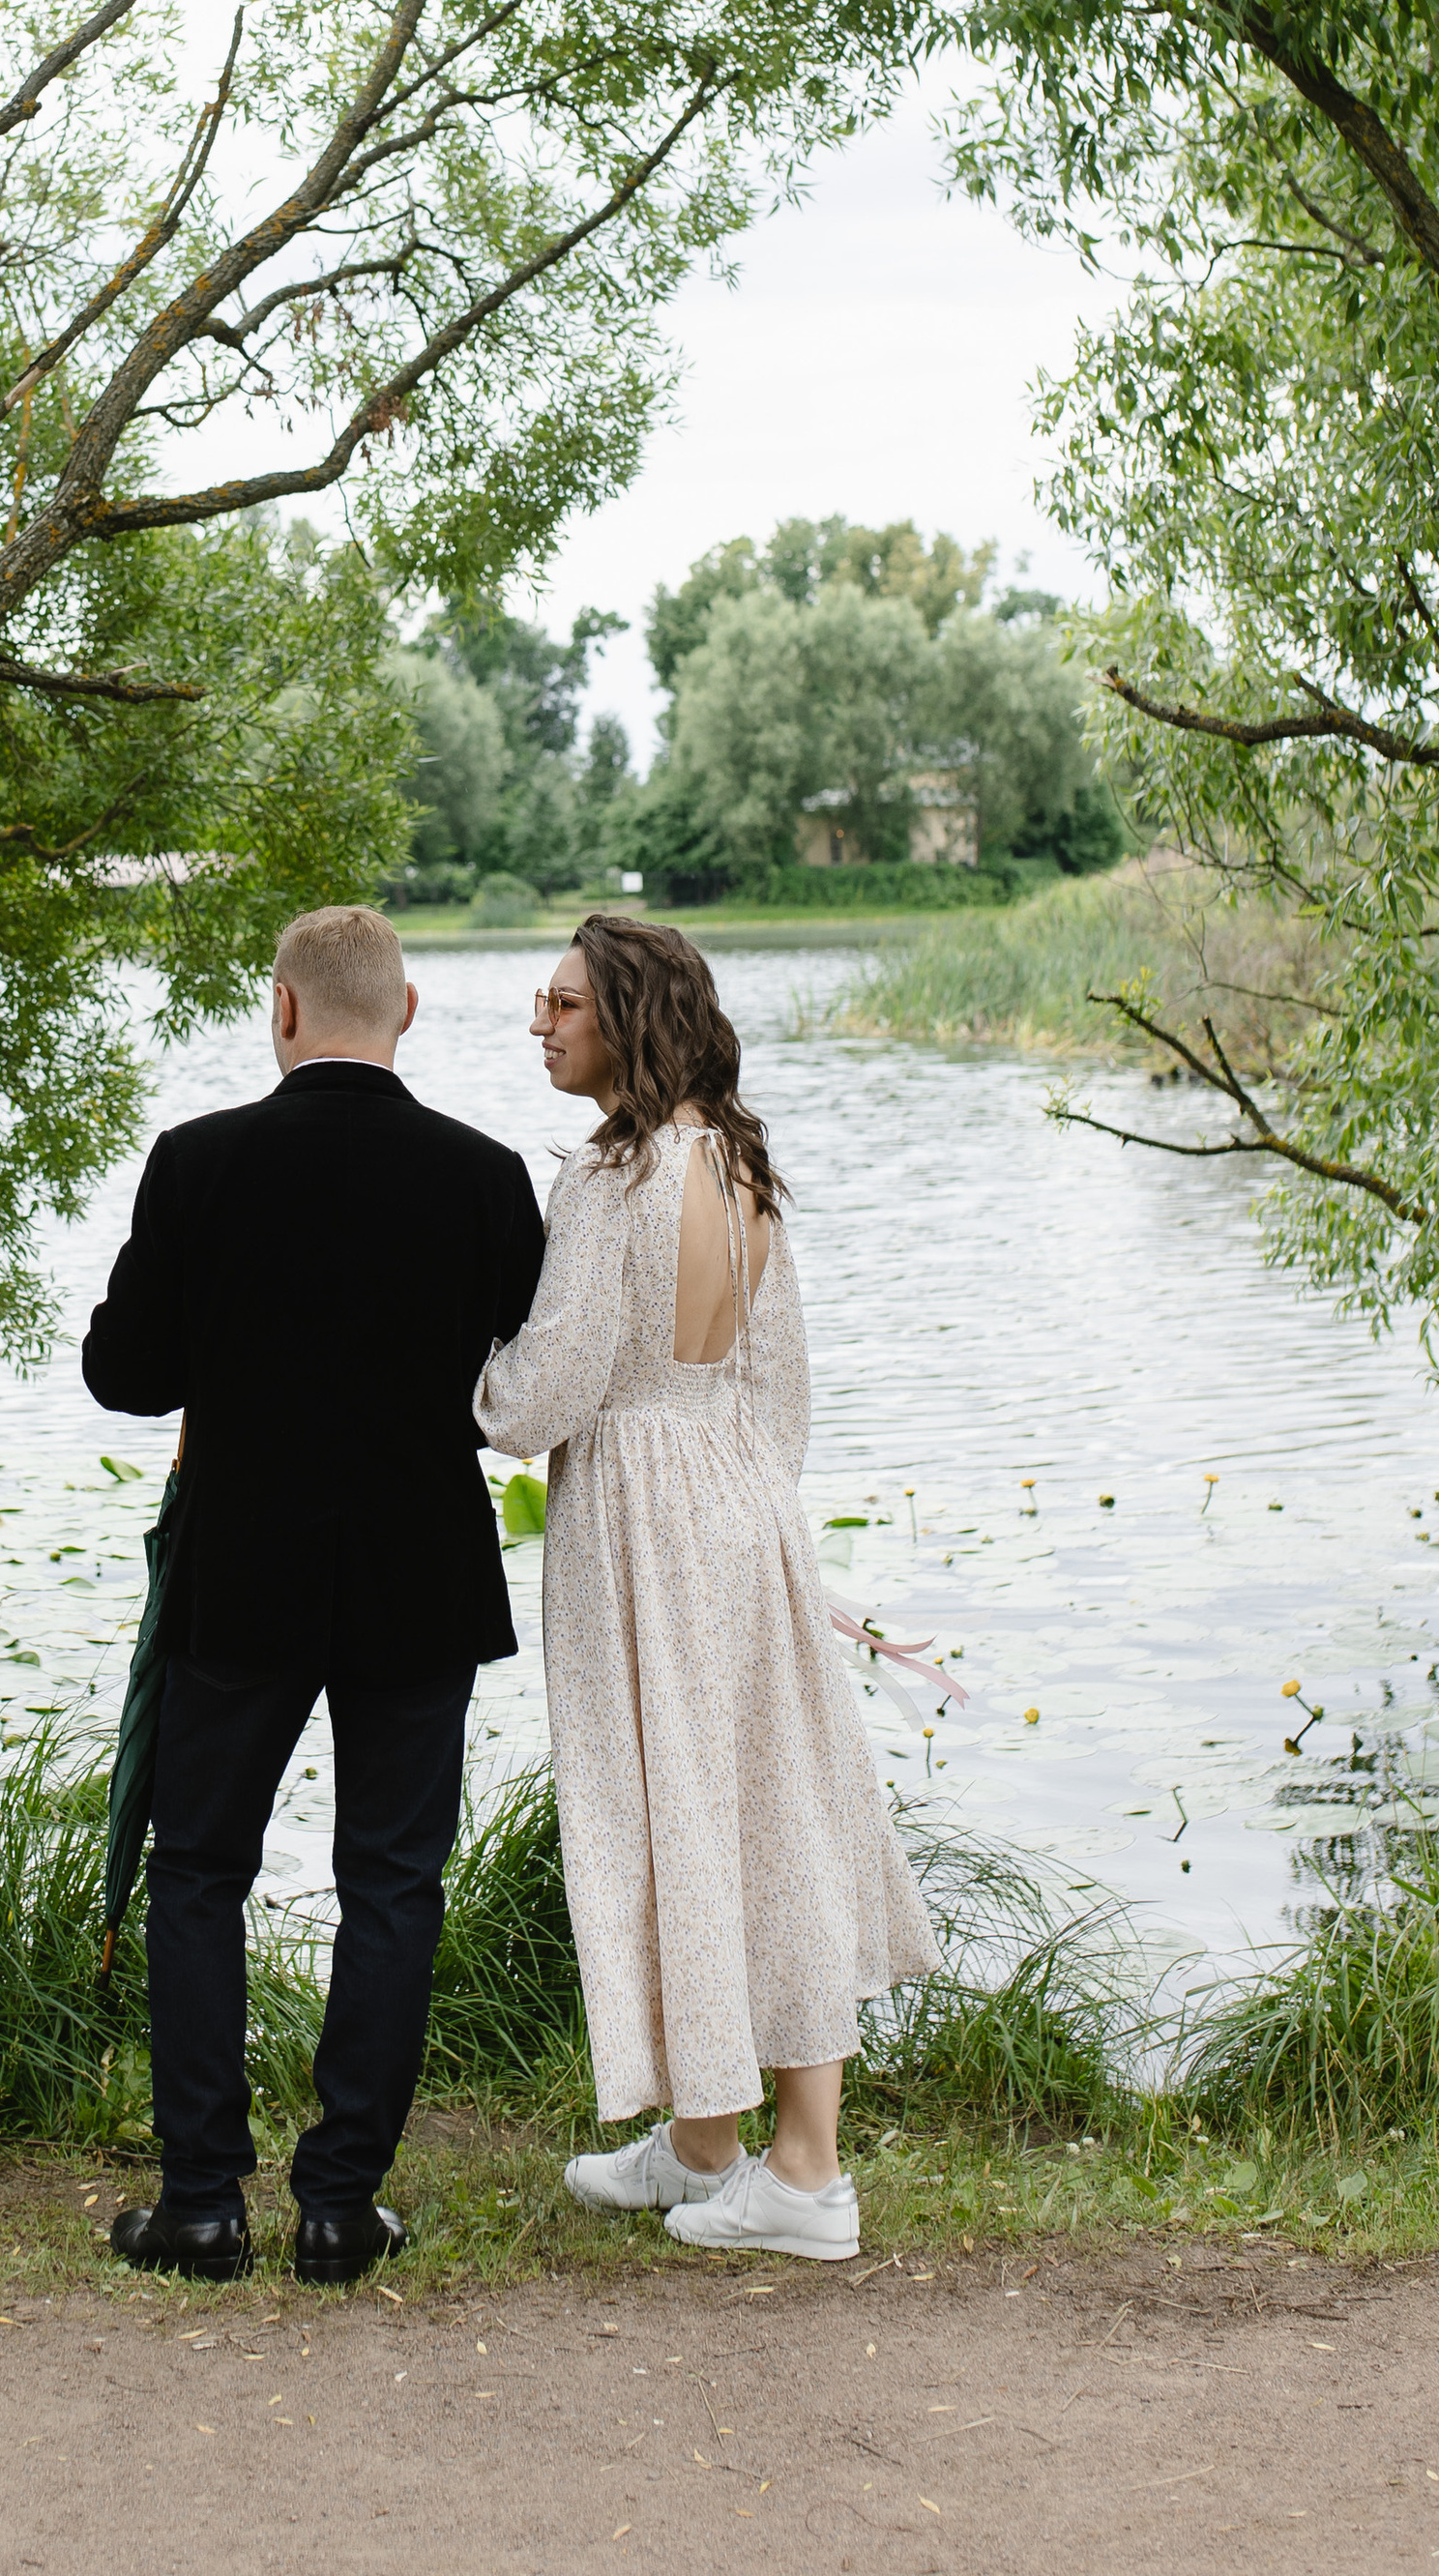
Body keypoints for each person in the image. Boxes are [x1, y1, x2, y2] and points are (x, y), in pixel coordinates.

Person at [83, 904, 546, 2284]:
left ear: (280, 1011)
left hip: (247, 1576)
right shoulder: (482, 1174)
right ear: (405, 1015)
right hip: (419, 1577)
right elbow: (527, 1369)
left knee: (201, 1874)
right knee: (395, 1883)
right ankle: (341, 2207)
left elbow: (127, 1374)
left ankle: (203, 2205)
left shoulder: (197, 1162)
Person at [474, 911, 936, 2258]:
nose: (540, 1025)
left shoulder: (606, 1185)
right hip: (742, 1503)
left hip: (645, 1521)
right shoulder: (737, 1162)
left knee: (692, 1809)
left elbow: (543, 1392)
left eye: (562, 1004)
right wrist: (744, 1504)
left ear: (626, 1019)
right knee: (756, 1806)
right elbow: (779, 1390)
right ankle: (705, 2144)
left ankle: (804, 2178)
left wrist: (469, 1390)